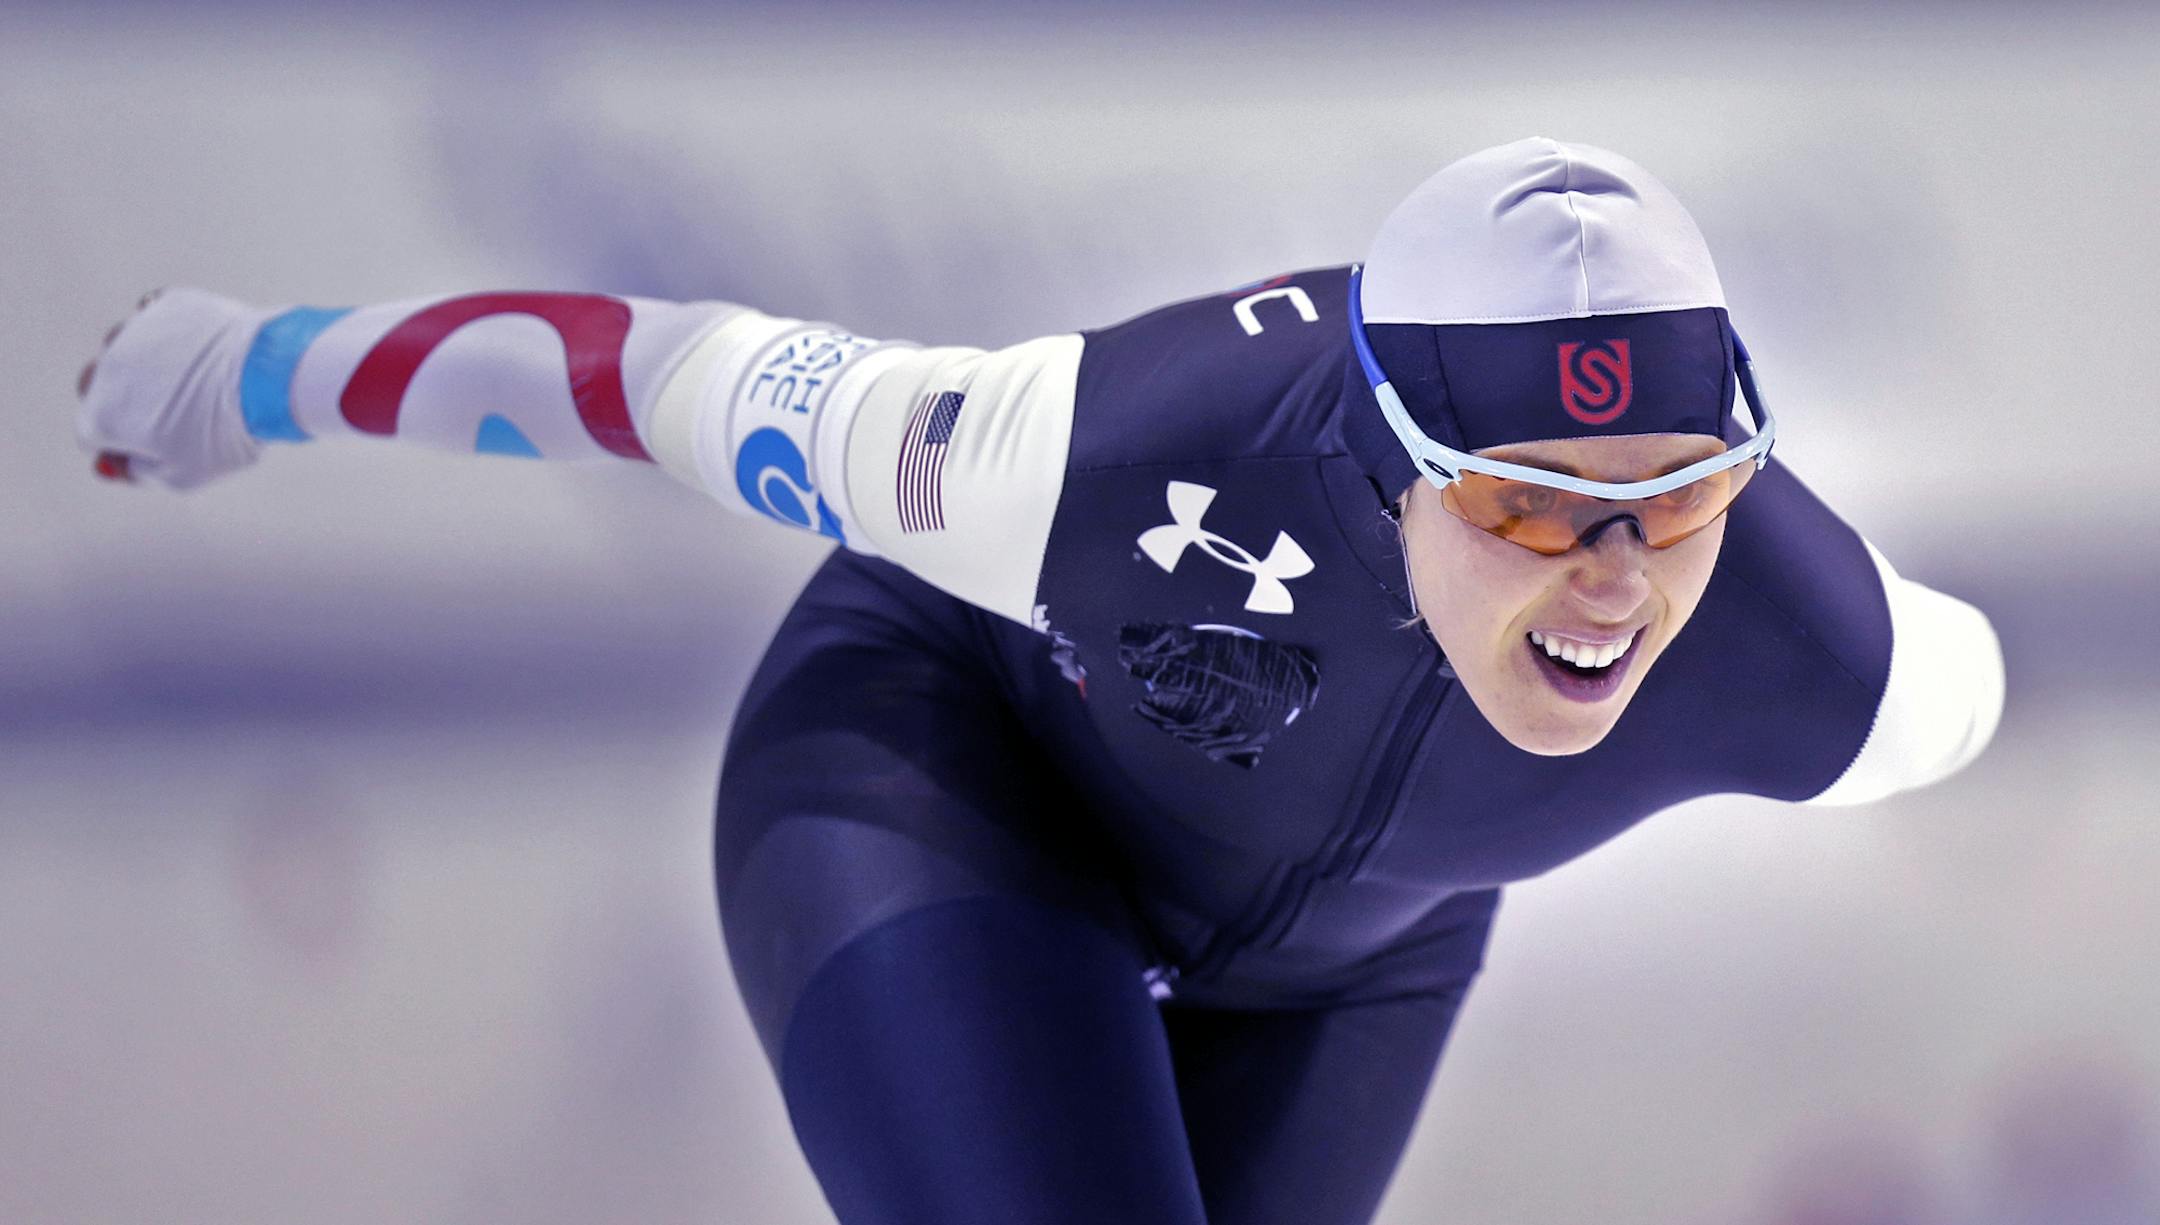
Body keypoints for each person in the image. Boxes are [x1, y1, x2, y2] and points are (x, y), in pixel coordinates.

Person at [73, 137, 2005, 1225]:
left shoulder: (1814, 645)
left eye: (1671, 506)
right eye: (1524, 505)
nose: (1610, 584)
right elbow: (645, 371)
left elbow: (1970, 681)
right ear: (1384, 450)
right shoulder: (1090, 446)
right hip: (949, 781)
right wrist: (256, 367)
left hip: (1356, 961)